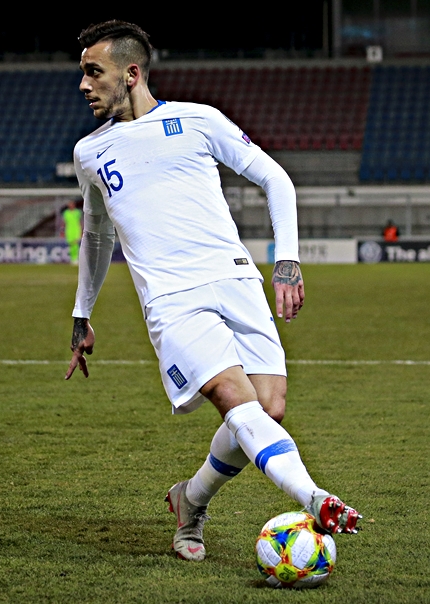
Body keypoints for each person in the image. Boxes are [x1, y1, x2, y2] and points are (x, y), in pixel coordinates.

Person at [64, 20, 360, 563]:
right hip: (172, 298)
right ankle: (315, 498)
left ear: (131, 74)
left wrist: (286, 261)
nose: (83, 84)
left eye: (93, 72)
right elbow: (97, 235)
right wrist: (82, 314)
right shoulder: (89, 152)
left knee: (268, 409)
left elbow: (276, 178)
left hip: (235, 278)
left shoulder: (197, 120)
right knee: (233, 396)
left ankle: (190, 499)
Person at [63, 200, 83, 265]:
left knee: (76, 245)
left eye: (72, 204)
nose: (71, 206)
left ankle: (75, 258)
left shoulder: (77, 212)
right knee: (71, 245)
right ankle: (72, 258)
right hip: (69, 231)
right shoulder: (66, 213)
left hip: (76, 230)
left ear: (74, 205)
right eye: (70, 204)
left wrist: (81, 231)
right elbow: (64, 223)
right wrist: (62, 231)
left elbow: (80, 222)